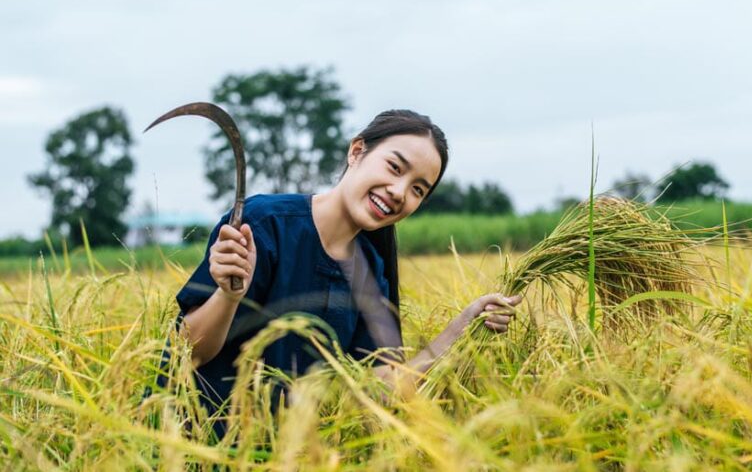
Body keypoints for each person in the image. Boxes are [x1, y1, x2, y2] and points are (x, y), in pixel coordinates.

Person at [170, 109, 522, 437]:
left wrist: (461, 327)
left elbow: (380, 390)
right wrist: (228, 295)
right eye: (395, 167)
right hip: (198, 444)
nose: (399, 193)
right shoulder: (265, 225)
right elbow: (187, 352)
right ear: (357, 152)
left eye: (418, 189)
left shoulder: (370, 272)